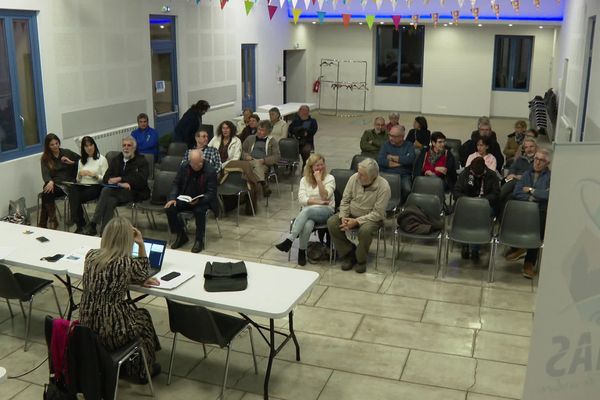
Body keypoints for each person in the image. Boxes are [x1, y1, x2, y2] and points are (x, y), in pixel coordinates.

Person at [79, 217, 161, 382]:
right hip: (111, 327)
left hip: (87, 323)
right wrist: (141, 244)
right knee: (143, 317)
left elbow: (107, 274)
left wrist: (130, 278)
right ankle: (145, 369)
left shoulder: (91, 256)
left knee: (138, 317)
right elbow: (144, 272)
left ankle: (134, 361)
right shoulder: (126, 263)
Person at [327, 158, 391, 274]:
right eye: (358, 172)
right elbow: (345, 200)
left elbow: (378, 213)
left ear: (373, 176)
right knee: (332, 222)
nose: (358, 176)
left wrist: (357, 221)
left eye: (362, 175)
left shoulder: (384, 187)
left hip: (371, 218)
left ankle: (361, 260)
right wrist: (343, 217)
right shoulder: (354, 178)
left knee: (365, 231)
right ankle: (349, 254)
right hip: (351, 213)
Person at [275, 154, 335, 266]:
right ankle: (301, 253)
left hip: (326, 211)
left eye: (322, 164)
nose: (320, 167)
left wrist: (319, 180)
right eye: (317, 165)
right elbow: (301, 199)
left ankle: (290, 239)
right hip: (308, 214)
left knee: (306, 211)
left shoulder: (330, 178)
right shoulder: (304, 180)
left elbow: (325, 197)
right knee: (307, 225)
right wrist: (317, 202)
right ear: (311, 167)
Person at [83, 137, 150, 236]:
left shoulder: (141, 160)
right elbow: (106, 177)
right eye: (124, 145)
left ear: (134, 148)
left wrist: (121, 179)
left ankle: (93, 223)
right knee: (110, 200)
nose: (126, 148)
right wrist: (117, 182)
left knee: (106, 190)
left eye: (129, 145)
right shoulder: (117, 159)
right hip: (116, 191)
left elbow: (141, 180)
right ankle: (104, 233)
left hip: (135, 192)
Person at [507, 148, 552, 279]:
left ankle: (529, 263)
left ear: (547, 163)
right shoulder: (527, 174)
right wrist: (533, 198)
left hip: (539, 211)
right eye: (536, 159)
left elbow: (548, 195)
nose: (537, 162)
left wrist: (531, 190)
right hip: (524, 209)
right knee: (510, 213)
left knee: (538, 230)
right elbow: (517, 191)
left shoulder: (550, 177)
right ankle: (517, 248)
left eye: (542, 160)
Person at [165, 150, 218, 253]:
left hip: (203, 200)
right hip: (185, 198)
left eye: (200, 162)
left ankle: (199, 240)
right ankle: (181, 235)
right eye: (195, 164)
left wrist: (199, 200)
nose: (199, 165)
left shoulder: (210, 170)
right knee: (170, 208)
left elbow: (211, 193)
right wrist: (172, 198)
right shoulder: (184, 166)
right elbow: (176, 183)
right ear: (190, 162)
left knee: (199, 211)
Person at [453, 156, 500, 261]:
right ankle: (465, 243)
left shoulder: (492, 175)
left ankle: (475, 248)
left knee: (480, 216)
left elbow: (496, 194)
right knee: (465, 214)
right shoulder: (465, 174)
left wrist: (483, 201)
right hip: (468, 203)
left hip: (485, 204)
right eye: (475, 174)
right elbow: (456, 192)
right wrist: (469, 201)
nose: (477, 176)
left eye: (479, 174)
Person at [68, 136, 108, 233]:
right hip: (82, 185)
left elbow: (106, 180)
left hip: (96, 186)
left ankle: (79, 223)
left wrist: (94, 175)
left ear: (94, 145)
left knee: (74, 198)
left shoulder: (101, 159)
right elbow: (77, 180)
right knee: (73, 188)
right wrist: (80, 175)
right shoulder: (81, 160)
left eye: (91, 145)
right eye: (86, 146)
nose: (89, 148)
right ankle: (79, 222)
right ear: (83, 148)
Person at [39, 133, 80, 229]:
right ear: (48, 146)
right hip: (55, 185)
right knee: (47, 188)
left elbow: (82, 161)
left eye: (56, 143)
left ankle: (45, 223)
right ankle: (52, 220)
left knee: (46, 192)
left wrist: (71, 162)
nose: (55, 146)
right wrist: (50, 181)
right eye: (52, 145)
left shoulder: (67, 152)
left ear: (59, 143)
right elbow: (45, 173)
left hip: (68, 183)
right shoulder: (45, 158)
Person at [377, 125, 415, 203]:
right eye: (390, 135)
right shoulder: (385, 145)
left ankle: (401, 204)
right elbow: (381, 160)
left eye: (394, 136)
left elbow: (410, 160)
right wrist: (401, 162)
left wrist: (392, 158)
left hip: (403, 175)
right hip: (386, 173)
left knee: (407, 189)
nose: (390, 138)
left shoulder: (409, 145)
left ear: (402, 137)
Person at [499, 137, 537, 209]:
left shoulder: (538, 160)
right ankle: (500, 218)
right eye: (526, 147)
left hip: (527, 185)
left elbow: (536, 176)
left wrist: (520, 177)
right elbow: (511, 171)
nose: (529, 149)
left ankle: (496, 198)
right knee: (507, 189)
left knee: (508, 194)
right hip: (514, 183)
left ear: (536, 147)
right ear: (524, 149)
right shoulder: (519, 159)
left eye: (531, 146)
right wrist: (512, 175)